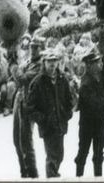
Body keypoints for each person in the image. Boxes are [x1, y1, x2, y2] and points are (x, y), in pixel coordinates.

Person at [27, 49, 74, 178]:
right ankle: (52, 177)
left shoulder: (62, 79)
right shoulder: (38, 82)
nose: (52, 64)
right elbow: (30, 108)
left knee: (59, 154)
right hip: (48, 126)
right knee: (52, 156)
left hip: (60, 123)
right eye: (49, 61)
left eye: (55, 61)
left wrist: (67, 113)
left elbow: (70, 99)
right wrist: (43, 119)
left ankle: (54, 174)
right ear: (44, 63)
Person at [74, 48, 104, 177]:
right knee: (83, 153)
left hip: (98, 123)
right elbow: (96, 103)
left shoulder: (98, 79)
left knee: (99, 155)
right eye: (97, 62)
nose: (101, 64)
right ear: (90, 65)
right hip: (87, 125)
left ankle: (97, 178)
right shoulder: (86, 83)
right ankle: (79, 177)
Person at [12, 37, 43, 178]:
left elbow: (22, 78)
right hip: (20, 99)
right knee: (17, 139)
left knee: (25, 140)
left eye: (36, 47)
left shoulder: (40, 64)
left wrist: (13, 66)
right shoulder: (28, 61)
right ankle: (24, 170)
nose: (33, 49)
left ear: (41, 48)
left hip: (28, 103)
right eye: (31, 47)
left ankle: (31, 172)